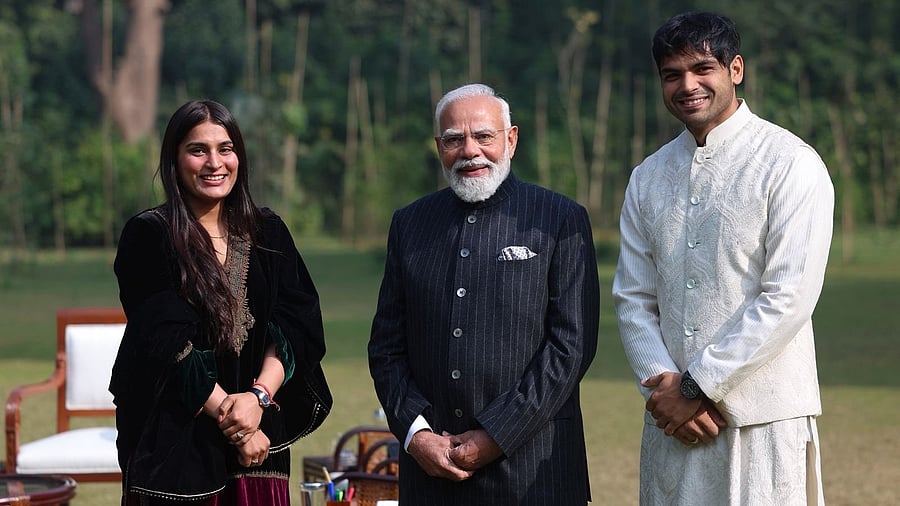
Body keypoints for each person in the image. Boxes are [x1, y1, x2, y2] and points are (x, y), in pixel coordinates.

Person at [613, 11, 833, 505]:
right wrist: (665, 389)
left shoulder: (790, 163)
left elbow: (789, 297)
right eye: (672, 74)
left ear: (735, 69)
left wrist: (696, 387)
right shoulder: (648, 177)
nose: (687, 85)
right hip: (675, 426)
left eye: (702, 68)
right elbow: (633, 298)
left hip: (765, 419)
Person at [368, 83, 600, 505]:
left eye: (483, 136)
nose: (470, 151)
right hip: (432, 476)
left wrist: (497, 434)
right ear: (439, 147)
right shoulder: (410, 224)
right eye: (454, 139)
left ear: (511, 139)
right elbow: (386, 347)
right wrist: (417, 435)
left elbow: (571, 347)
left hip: (537, 474)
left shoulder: (559, 218)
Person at [110, 99, 330, 505]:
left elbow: (296, 324)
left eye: (225, 149)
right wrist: (240, 426)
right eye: (198, 150)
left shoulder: (268, 232)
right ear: (174, 160)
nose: (214, 163)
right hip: (177, 444)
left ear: (239, 157)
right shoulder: (149, 235)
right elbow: (166, 344)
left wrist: (258, 398)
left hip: (261, 439)